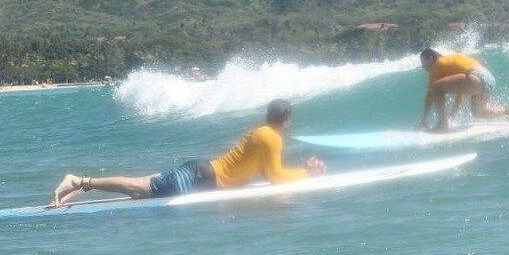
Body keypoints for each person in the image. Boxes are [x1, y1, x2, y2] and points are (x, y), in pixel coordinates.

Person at [51, 98, 325, 207]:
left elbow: (268, 174)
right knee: (139, 189)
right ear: (287, 120)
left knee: (140, 188)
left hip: (200, 173)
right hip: (199, 178)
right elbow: (276, 178)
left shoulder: (262, 133)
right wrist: (307, 172)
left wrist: (302, 171)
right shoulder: (272, 139)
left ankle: (83, 186)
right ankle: (80, 182)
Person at [418, 48, 509, 132]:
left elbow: (430, 95)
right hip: (488, 78)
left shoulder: (438, 64)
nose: (423, 67)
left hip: (476, 75)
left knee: (436, 87)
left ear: (431, 59)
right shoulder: (449, 62)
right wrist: (452, 118)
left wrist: (423, 121)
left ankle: (442, 125)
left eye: (423, 63)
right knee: (479, 112)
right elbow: (461, 92)